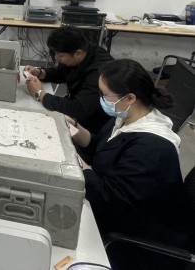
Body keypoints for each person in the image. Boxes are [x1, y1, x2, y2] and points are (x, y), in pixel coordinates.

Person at [67, 59, 189, 267]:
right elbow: (102, 149)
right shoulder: (126, 118)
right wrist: (75, 129)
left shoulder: (152, 148)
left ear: (130, 98)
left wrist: (79, 164)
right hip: (114, 214)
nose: (101, 100)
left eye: (104, 95)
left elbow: (111, 200)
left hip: (135, 242)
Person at [24, 26, 113, 133]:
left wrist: (40, 94)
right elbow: (62, 72)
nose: (56, 58)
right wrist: (41, 73)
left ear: (78, 53)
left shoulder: (99, 73)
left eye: (60, 55)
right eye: (55, 53)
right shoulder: (79, 52)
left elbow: (78, 109)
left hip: (93, 126)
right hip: (78, 109)